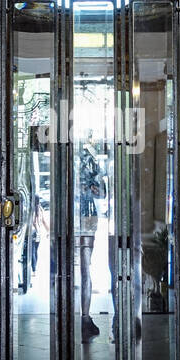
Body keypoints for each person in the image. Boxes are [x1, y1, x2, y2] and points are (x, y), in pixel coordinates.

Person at [75, 136, 106, 342]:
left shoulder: (87, 160)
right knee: (84, 268)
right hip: (84, 215)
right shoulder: (89, 160)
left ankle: (84, 317)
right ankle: (84, 318)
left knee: (83, 268)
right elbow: (102, 192)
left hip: (83, 216)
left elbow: (101, 192)